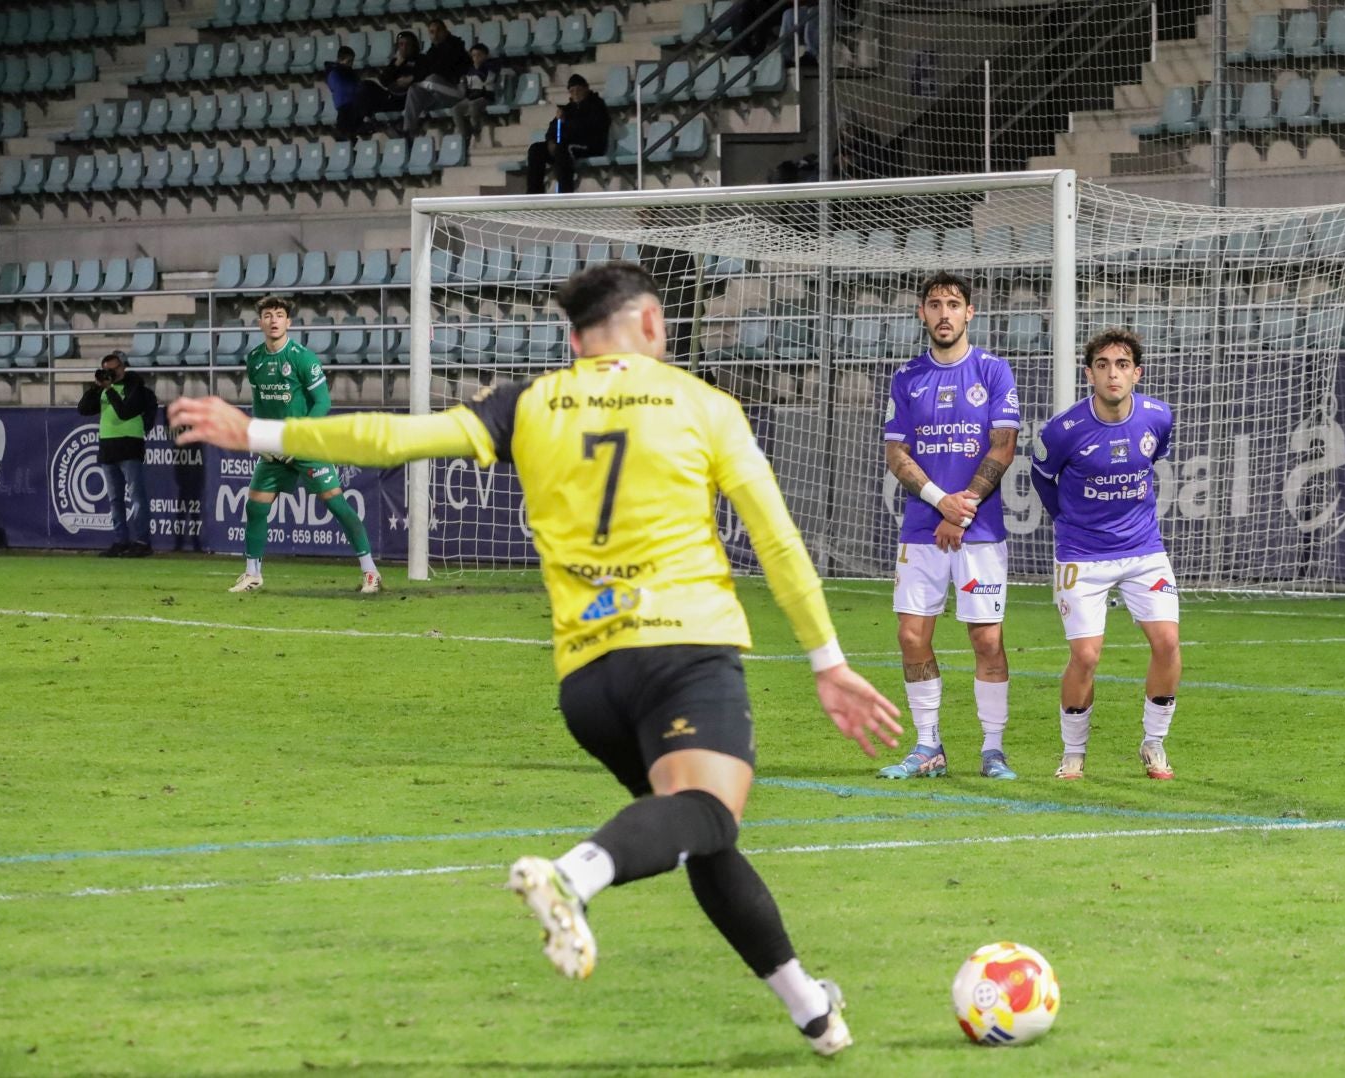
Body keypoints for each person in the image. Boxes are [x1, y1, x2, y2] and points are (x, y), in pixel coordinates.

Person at [166, 262, 902, 1058]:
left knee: (689, 829)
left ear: (573, 339)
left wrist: (258, 433)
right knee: (706, 814)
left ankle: (811, 1010)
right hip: (682, 650)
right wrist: (827, 659)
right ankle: (574, 876)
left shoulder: (532, 402)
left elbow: (398, 436)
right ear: (652, 326)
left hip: (588, 679)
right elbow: (777, 539)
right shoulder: (704, 405)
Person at [878, 271, 1021, 780]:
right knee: (912, 635)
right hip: (922, 527)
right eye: (934, 304)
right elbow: (897, 453)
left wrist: (965, 508)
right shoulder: (907, 376)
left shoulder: (993, 371)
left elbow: (1003, 445)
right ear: (922, 313)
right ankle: (927, 746)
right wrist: (943, 503)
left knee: (986, 639)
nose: (944, 313)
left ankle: (993, 748)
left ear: (969, 313)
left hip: (979, 530)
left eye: (953, 304)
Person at [1029, 327, 1181, 781]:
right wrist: (1068, 521)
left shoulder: (1158, 416)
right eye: (1102, 365)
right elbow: (1041, 478)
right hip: (1082, 554)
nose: (1112, 374)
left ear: (1136, 373)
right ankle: (1073, 752)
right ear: (1089, 373)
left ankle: (1153, 744)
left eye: (1121, 365)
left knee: (1168, 643)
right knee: (1087, 656)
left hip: (1142, 549)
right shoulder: (1062, 431)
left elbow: (1152, 462)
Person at [228, 296, 380, 594]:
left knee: (336, 504)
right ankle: (252, 574)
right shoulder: (255, 359)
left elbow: (323, 401)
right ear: (260, 322)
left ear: (289, 322)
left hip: (305, 445)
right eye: (268, 315)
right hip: (274, 448)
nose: (273, 320)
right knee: (255, 507)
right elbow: (260, 402)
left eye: (280, 315)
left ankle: (371, 572)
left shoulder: (302, 358)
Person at [77, 350, 158, 558]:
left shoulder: (136, 388)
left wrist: (110, 389)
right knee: (115, 499)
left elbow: (125, 412)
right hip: (108, 448)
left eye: (112, 370)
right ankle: (121, 540)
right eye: (106, 371)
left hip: (130, 446)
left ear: (122, 368)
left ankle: (142, 541)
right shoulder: (103, 390)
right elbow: (83, 409)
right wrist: (96, 387)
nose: (109, 374)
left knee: (136, 497)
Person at [525, 74, 609, 195]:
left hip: (590, 145)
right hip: (567, 144)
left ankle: (565, 194)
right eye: (572, 91)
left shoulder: (597, 105)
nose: (575, 93)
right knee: (536, 149)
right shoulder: (568, 108)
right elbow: (553, 127)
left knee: (562, 149)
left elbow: (588, 129)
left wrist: (566, 122)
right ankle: (533, 194)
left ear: (586, 89)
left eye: (578, 89)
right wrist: (551, 141)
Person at [402, 19, 471, 138]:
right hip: (439, 95)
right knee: (414, 89)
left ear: (445, 31)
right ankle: (408, 131)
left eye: (438, 31)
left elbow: (440, 69)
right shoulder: (432, 51)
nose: (435, 35)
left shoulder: (455, 46)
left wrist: (415, 76)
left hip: (457, 92)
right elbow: (424, 69)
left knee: (431, 79)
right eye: (432, 32)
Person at [450, 42, 502, 144]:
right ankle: (464, 135)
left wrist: (478, 67)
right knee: (455, 108)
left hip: (485, 96)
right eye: (473, 55)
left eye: (479, 55)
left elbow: (484, 77)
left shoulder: (490, 66)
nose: (476, 58)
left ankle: (476, 130)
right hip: (472, 96)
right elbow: (465, 85)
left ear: (485, 56)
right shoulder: (469, 69)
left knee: (473, 105)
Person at [325, 45, 369, 139]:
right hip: (345, 106)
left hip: (352, 106)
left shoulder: (344, 72)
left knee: (350, 135)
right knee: (344, 135)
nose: (350, 65)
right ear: (340, 59)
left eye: (352, 62)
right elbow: (344, 88)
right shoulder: (336, 73)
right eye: (348, 61)